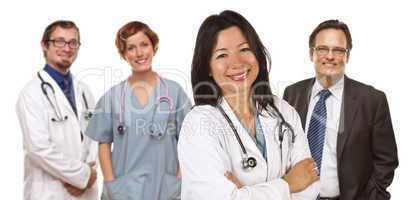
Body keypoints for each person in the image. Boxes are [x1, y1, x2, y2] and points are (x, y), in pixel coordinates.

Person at [178, 10, 319, 200]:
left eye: (244, 49)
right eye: (222, 55)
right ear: (208, 68)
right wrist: (288, 184)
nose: (236, 62)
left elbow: (310, 184)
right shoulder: (198, 123)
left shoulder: (283, 111)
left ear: (257, 54)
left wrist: (245, 193)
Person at [283, 20, 399, 200]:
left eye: (338, 50)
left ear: (348, 56)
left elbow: (386, 160)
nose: (330, 56)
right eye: (322, 49)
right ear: (311, 53)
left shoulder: (372, 100)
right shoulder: (292, 94)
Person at [85, 21, 191, 200]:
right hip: (124, 190)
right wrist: (111, 184)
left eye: (144, 45)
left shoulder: (174, 91)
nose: (139, 53)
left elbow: (189, 140)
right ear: (123, 54)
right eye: (131, 48)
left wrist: (179, 179)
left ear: (154, 47)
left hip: (166, 188)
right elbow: (103, 143)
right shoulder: (112, 97)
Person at [16, 20, 98, 200]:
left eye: (73, 42)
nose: (67, 48)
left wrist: (89, 178)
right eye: (59, 41)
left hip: (86, 193)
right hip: (50, 193)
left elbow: (94, 139)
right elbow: (38, 149)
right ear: (44, 45)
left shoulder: (84, 91)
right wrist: (82, 177)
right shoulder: (31, 94)